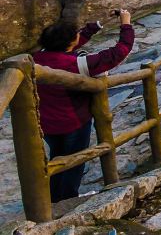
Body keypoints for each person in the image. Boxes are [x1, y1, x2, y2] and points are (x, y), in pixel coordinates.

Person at [33, 11, 134, 202]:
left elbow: (63, 48)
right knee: (75, 162)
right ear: (70, 42)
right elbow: (117, 53)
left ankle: (53, 199)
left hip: (46, 124)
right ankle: (68, 201)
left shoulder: (38, 58)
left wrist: (94, 27)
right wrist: (126, 25)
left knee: (58, 158)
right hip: (73, 123)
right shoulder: (75, 64)